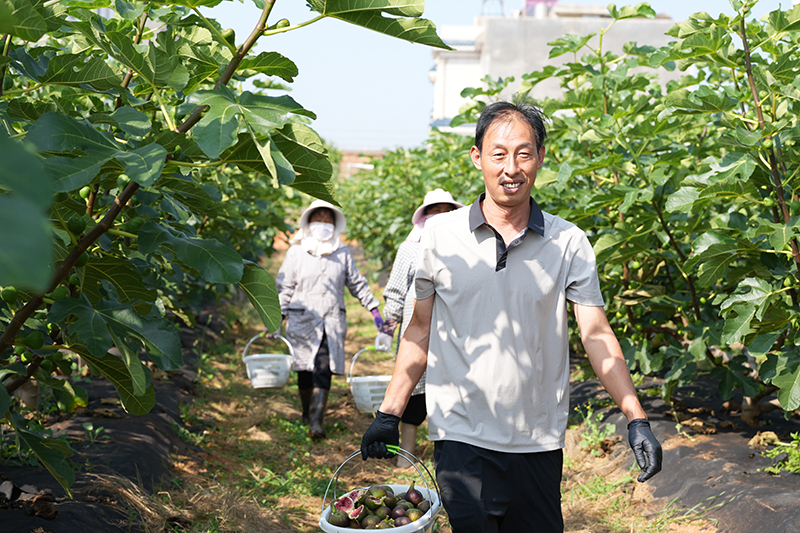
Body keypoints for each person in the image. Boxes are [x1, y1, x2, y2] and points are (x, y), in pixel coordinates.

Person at [360, 100, 662, 532]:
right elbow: (419, 330)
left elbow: (596, 334)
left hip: (536, 437)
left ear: (540, 158)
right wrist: (390, 413)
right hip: (461, 435)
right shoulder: (439, 239)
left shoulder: (568, 243)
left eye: (523, 153)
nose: (511, 167)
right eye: (498, 153)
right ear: (476, 157)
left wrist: (636, 417)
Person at [276, 199, 384, 440]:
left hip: (331, 321)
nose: (323, 223)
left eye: (328, 219)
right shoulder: (296, 252)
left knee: (323, 367)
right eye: (319, 218)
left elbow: (357, 283)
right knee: (304, 369)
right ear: (309, 222)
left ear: (334, 225)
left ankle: (316, 421)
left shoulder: (342, 253)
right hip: (303, 320)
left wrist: (374, 310)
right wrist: (278, 315)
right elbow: (285, 286)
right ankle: (307, 412)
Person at [382, 188, 462, 467]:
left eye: (447, 211)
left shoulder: (464, 248)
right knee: (414, 390)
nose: (440, 216)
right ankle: (406, 455)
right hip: (417, 328)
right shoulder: (410, 248)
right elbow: (395, 289)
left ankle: (449, 457)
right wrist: (388, 325)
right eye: (434, 211)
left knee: (450, 392)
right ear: (424, 217)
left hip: (455, 331)